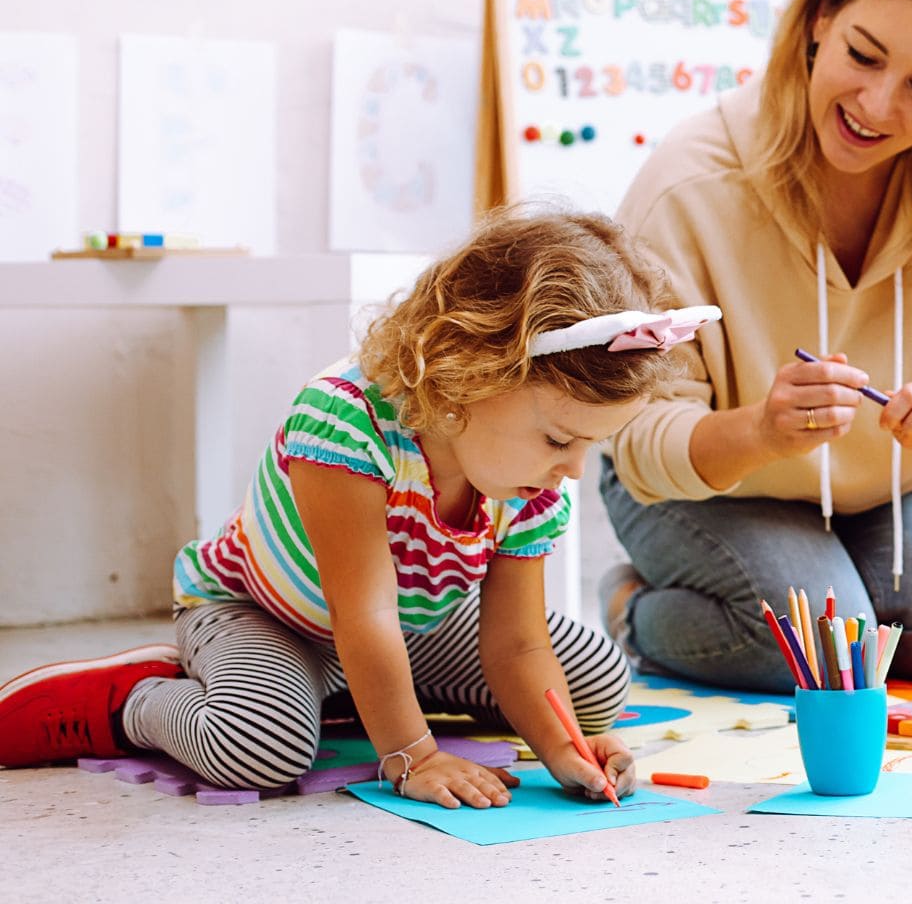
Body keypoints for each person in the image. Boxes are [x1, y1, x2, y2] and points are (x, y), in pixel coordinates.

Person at [0, 209, 713, 808]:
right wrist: (412, 754)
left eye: (590, 446)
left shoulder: (530, 482)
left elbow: (518, 645)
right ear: (468, 374)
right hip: (271, 616)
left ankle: (347, 700)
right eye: (561, 438)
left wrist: (565, 752)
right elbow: (360, 615)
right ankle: (139, 701)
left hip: (406, 627)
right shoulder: (344, 422)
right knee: (261, 748)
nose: (574, 470)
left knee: (594, 675)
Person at [597, 0, 912, 693]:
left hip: (889, 486)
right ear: (818, 20)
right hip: (703, 483)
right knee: (817, 653)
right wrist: (761, 430)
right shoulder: (689, 182)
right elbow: (636, 434)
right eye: (864, 56)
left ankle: (823, 578)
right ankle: (630, 608)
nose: (878, 106)